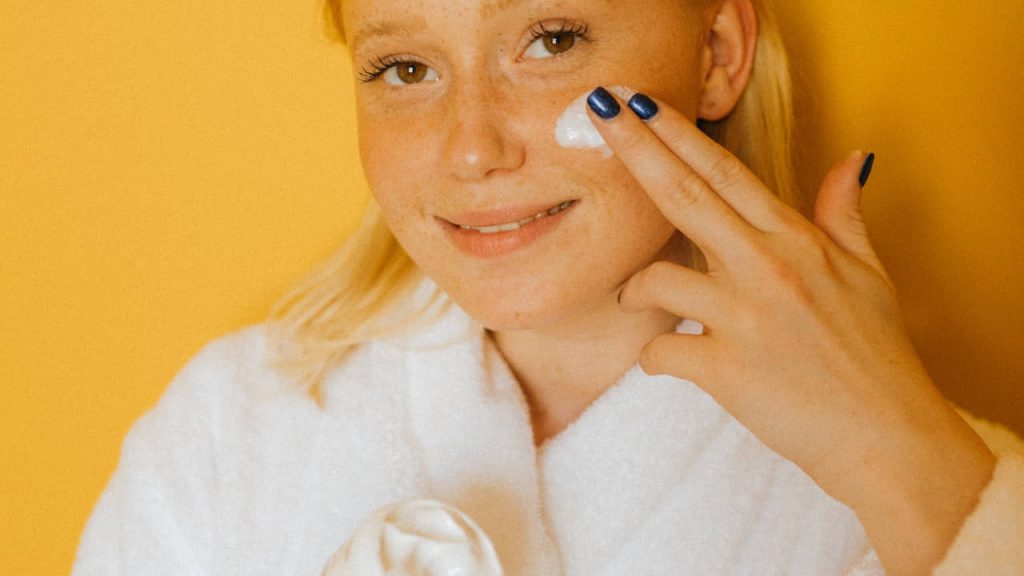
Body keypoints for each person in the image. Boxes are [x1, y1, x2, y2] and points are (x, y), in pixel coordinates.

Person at [72, 0, 1024, 575]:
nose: (473, 147)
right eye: (404, 68)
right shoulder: (227, 430)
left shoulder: (903, 487)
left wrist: (894, 449)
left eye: (552, 39)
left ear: (717, 55)